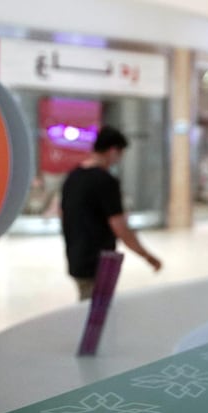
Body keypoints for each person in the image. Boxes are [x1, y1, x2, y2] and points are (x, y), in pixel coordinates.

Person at [61, 125, 162, 300]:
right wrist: (147, 256)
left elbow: (65, 215)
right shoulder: (106, 181)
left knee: (86, 305)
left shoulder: (73, 176)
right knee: (97, 313)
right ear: (113, 151)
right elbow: (120, 227)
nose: (119, 159)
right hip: (100, 261)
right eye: (120, 154)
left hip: (75, 256)